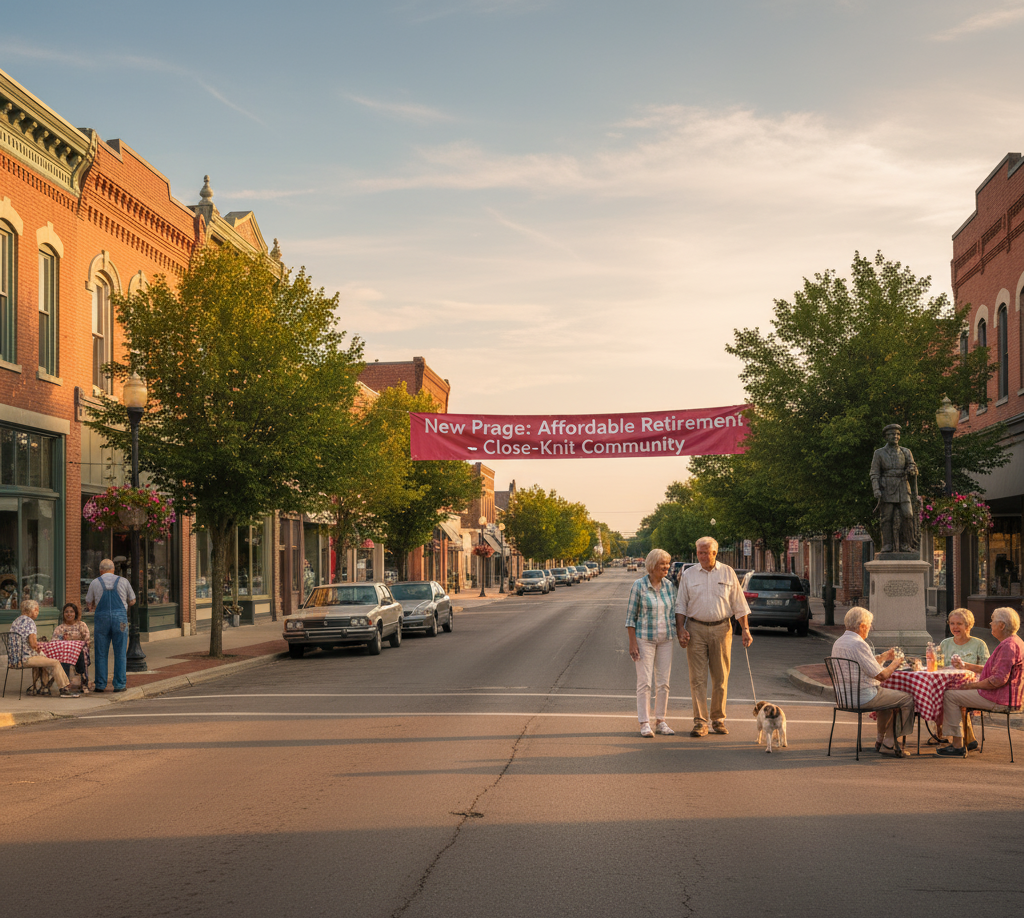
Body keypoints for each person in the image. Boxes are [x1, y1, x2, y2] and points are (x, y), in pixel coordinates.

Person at [674, 536, 752, 737]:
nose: (702, 556)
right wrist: (680, 629)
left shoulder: (728, 572)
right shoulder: (689, 575)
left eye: (705, 552)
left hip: (721, 629)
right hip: (696, 629)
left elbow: (739, 604)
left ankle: (718, 719)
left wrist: (745, 629)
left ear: (714, 553)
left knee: (720, 677)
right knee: (697, 679)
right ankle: (700, 722)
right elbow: (681, 604)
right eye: (699, 552)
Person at [937, 607, 1024, 758]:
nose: (990, 624)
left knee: (950, 695)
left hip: (1000, 698)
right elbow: (995, 672)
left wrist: (971, 686)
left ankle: (958, 745)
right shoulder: (1015, 642)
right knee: (955, 694)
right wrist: (966, 666)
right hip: (1007, 696)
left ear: (1002, 625)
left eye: (993, 621)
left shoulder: (1008, 646)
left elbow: (997, 680)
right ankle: (966, 740)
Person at [831, 606, 915, 757]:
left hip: (844, 697)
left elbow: (864, 664)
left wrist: (883, 657)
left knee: (888, 702)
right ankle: (889, 743)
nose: (869, 628)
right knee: (907, 699)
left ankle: (880, 740)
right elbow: (881, 676)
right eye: (869, 625)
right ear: (862, 626)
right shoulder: (858, 643)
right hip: (862, 696)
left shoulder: (840, 642)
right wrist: (896, 662)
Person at [625, 548, 677, 737]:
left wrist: (682, 632)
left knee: (663, 683)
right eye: (662, 564)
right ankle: (644, 722)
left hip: (666, 639)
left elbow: (673, 614)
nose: (666, 567)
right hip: (644, 639)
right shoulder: (638, 586)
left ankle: (661, 721)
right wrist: (633, 643)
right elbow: (630, 618)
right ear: (652, 566)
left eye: (667, 563)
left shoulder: (670, 586)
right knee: (645, 682)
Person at [932, 608, 990, 748]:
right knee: (939, 692)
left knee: (954, 696)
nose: (955, 627)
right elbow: (937, 667)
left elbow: (987, 670)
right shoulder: (945, 643)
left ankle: (960, 736)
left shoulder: (979, 644)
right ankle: (962, 735)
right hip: (947, 684)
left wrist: (966, 666)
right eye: (952, 623)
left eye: (959, 623)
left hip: (970, 685)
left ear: (968, 625)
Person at [85, 559, 136, 693]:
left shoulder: (95, 582)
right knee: (120, 652)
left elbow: (89, 603)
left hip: (102, 619)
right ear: (113, 570)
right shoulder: (123, 581)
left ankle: (100, 684)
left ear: (100, 570)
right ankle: (119, 684)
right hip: (120, 620)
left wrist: (95, 606)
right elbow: (132, 601)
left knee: (101, 652)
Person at [869, 423, 920, 553]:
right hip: (887, 487)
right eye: (892, 434)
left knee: (907, 515)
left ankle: (905, 544)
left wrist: (912, 470)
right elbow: (874, 473)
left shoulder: (906, 451)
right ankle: (887, 544)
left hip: (903, 486)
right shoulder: (879, 453)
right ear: (886, 437)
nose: (895, 436)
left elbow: (912, 466)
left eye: (897, 434)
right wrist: (876, 489)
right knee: (887, 517)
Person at [8, 599, 72, 696]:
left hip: (14, 660)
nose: (37, 612)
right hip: (25, 659)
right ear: (33, 610)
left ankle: (41, 687)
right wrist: (37, 646)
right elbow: (32, 643)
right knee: (55, 662)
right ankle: (64, 688)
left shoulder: (16, 622)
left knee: (43, 661)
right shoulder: (30, 622)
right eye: (36, 610)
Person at [51, 601, 91, 693]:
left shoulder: (81, 625)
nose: (69, 614)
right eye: (67, 612)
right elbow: (54, 642)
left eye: (71, 612)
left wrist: (74, 643)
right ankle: (65, 684)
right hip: (64, 654)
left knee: (81, 652)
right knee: (64, 657)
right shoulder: (60, 628)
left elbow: (87, 640)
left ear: (75, 613)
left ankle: (83, 681)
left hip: (78, 653)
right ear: (63, 614)